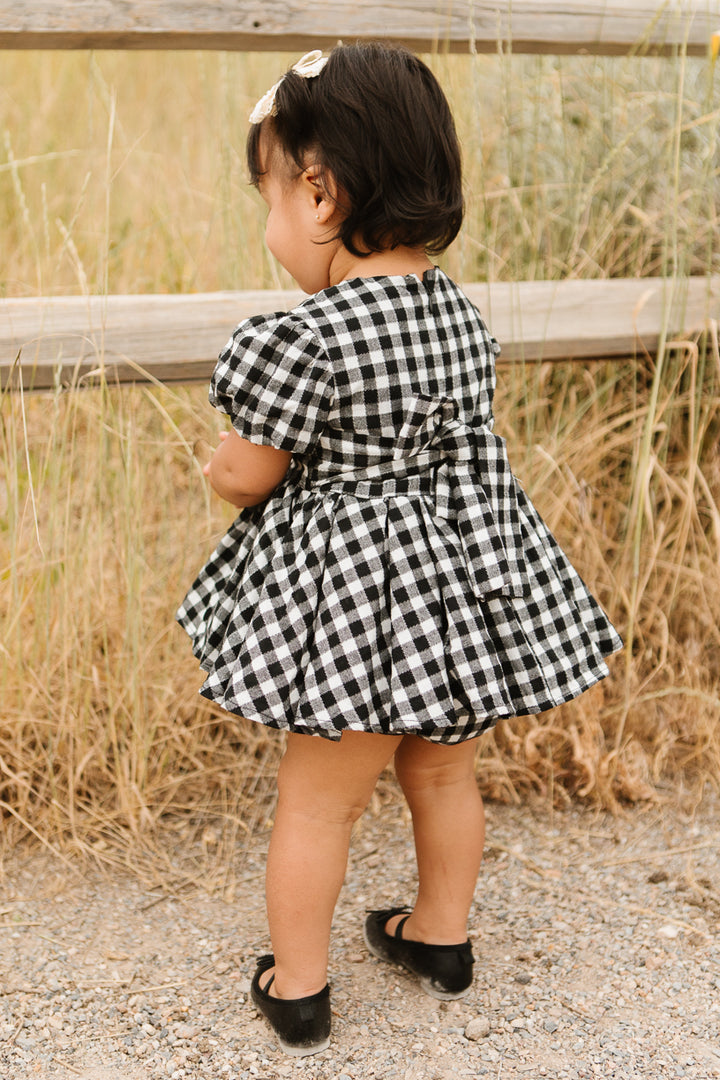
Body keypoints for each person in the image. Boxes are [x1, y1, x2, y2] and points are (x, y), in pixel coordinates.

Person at [177, 43, 622, 1057]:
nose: (273, 225)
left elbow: (251, 472)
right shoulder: (460, 319)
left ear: (324, 196)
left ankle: (298, 988)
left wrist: (219, 468)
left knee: (319, 802)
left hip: (351, 614)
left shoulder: (304, 338)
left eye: (273, 198)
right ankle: (441, 937)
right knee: (443, 777)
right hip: (456, 598)